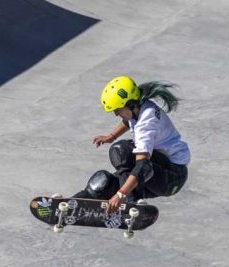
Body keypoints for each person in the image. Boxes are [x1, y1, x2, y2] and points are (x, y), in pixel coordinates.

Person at [72, 75, 190, 213]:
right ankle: (69, 207)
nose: (116, 113)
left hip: (172, 175)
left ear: (130, 104)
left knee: (121, 151)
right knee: (103, 183)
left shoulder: (145, 124)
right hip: (159, 171)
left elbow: (143, 166)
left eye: (117, 109)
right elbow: (128, 121)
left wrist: (121, 195)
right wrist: (111, 136)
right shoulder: (139, 108)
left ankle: (133, 202)